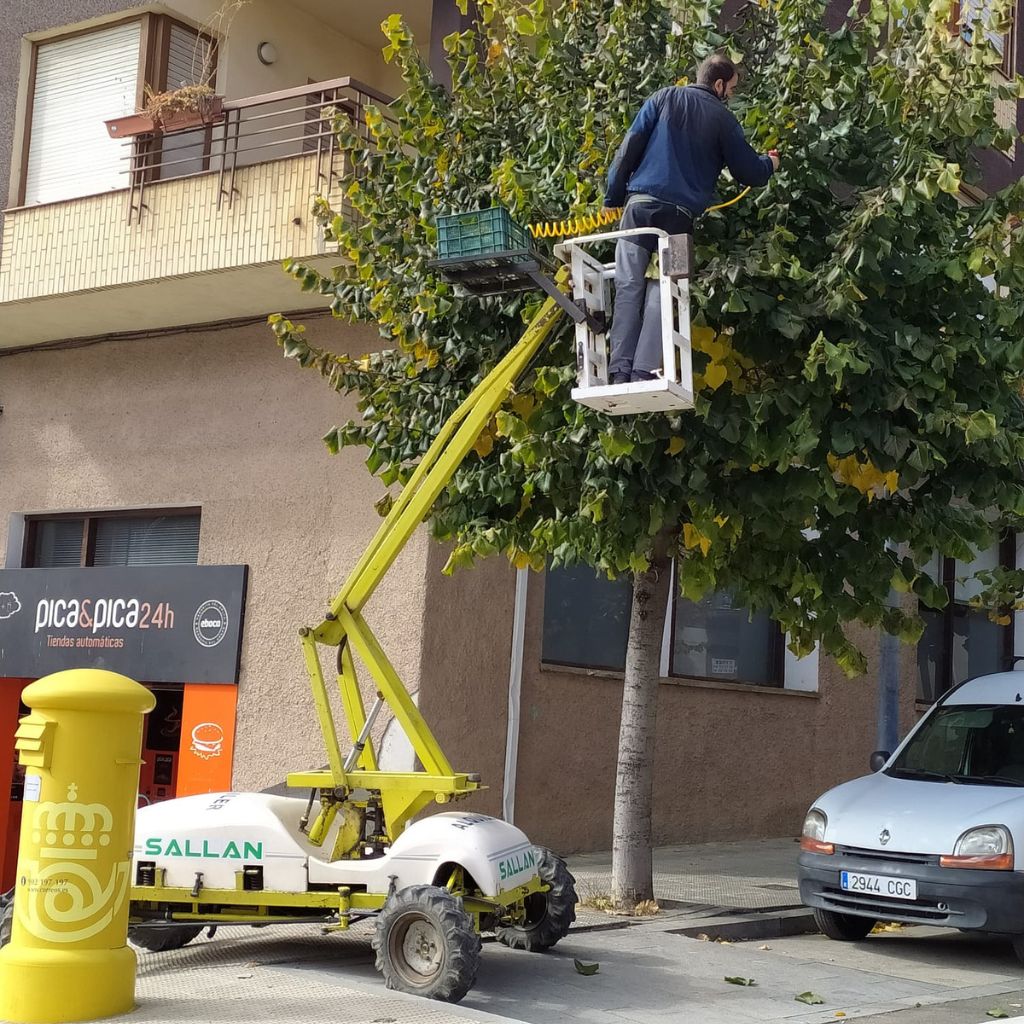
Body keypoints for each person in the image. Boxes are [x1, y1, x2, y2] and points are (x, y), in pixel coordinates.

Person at [603, 55, 780, 385]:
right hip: (680, 220)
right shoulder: (724, 121)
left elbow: (628, 149)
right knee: (666, 288)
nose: (731, 95)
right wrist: (769, 164)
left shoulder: (663, 97)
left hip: (639, 209)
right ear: (718, 84)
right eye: (732, 88)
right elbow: (748, 172)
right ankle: (643, 371)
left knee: (628, 283)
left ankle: (619, 369)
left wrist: (612, 197)